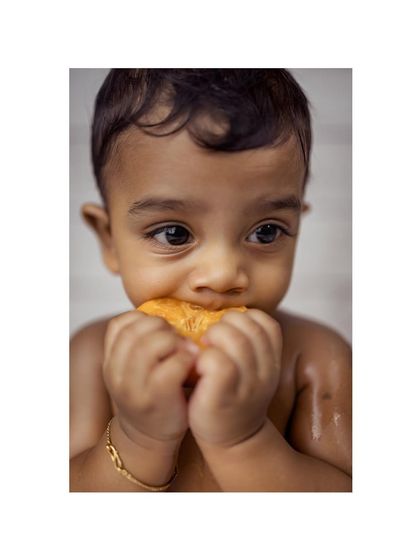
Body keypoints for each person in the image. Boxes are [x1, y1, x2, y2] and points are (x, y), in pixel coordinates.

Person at [70, 69, 352, 492]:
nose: (223, 274)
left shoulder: (314, 357)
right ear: (109, 238)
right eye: (174, 234)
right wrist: (138, 438)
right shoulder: (94, 355)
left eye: (266, 231)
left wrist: (243, 441)